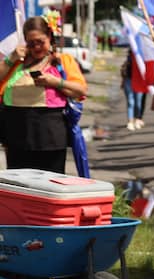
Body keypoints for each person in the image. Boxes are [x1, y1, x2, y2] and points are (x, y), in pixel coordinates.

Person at [0, 15, 88, 172]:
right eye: (31, 43)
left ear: (50, 37)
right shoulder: (16, 62)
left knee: (49, 186)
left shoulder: (62, 61)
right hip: (16, 137)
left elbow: (81, 89)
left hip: (50, 138)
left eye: (40, 42)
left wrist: (55, 82)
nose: (36, 47)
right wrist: (10, 59)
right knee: (19, 188)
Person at [121, 51, 147, 130]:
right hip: (129, 80)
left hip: (139, 81)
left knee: (138, 103)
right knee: (130, 102)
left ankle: (137, 119)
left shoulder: (143, 57)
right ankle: (130, 121)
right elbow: (124, 70)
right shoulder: (130, 57)